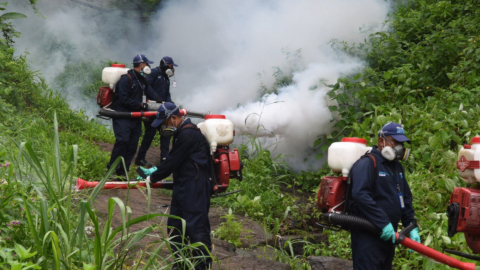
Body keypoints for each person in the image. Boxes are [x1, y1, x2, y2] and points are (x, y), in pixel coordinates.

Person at [139, 102, 212, 269]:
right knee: (175, 228)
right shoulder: (181, 132)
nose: (163, 128)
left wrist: (153, 177)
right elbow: (173, 159)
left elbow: (172, 161)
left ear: (173, 118)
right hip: (183, 187)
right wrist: (154, 171)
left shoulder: (188, 134)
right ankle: (181, 264)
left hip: (196, 186)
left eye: (164, 123)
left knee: (196, 229)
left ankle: (202, 266)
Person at [348, 122, 420, 270]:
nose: (399, 147)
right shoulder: (368, 163)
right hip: (368, 237)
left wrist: (411, 225)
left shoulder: (397, 167)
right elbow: (360, 195)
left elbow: (404, 197)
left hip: (388, 237)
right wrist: (383, 222)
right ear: (382, 141)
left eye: (401, 143)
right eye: (395, 142)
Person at [106, 54, 161, 178]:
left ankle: (123, 171)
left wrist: (161, 102)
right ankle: (110, 171)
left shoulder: (142, 80)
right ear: (141, 65)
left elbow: (150, 92)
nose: (148, 67)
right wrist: (141, 105)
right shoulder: (126, 79)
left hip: (135, 117)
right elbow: (123, 100)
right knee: (122, 141)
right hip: (123, 115)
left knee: (132, 144)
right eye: (147, 64)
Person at [135, 56, 178, 166]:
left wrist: (170, 103)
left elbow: (167, 93)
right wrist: (156, 97)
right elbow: (146, 85)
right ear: (164, 65)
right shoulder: (154, 72)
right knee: (150, 133)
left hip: (163, 110)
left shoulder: (166, 78)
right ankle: (140, 158)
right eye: (170, 66)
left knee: (166, 131)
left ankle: (164, 158)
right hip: (151, 109)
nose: (171, 68)